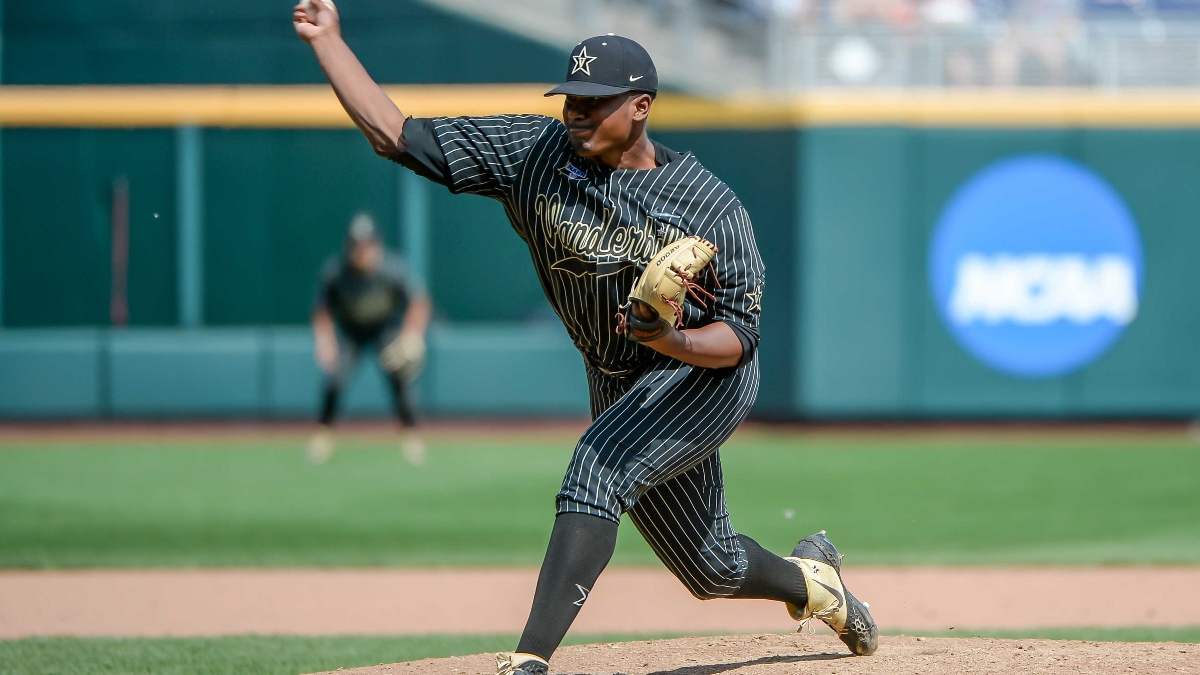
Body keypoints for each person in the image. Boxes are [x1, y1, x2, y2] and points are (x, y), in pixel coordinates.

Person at [293, 2, 878, 670]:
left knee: (595, 470)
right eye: (572, 98)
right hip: (615, 375)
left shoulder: (710, 205)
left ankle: (530, 658)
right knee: (708, 566)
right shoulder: (533, 154)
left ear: (640, 107)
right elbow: (395, 134)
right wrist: (329, 42)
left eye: (595, 102)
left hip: (702, 376)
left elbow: (740, 337)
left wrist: (672, 342)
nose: (576, 111)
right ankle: (815, 582)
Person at [308, 212, 431, 465]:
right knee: (335, 380)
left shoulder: (392, 268)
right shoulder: (336, 272)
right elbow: (322, 310)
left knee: (399, 379)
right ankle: (323, 435)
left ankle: (411, 435)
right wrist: (325, 340)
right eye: (356, 245)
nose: (361, 251)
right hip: (352, 331)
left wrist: (412, 335)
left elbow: (419, 302)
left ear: (377, 244)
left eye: (366, 245)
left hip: (384, 328)